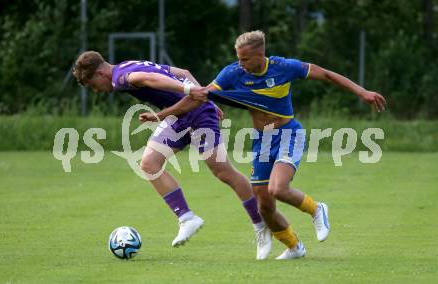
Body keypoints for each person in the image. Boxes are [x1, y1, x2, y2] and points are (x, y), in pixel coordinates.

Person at [143, 30, 386, 260]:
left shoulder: (284, 67)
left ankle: (316, 209)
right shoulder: (232, 73)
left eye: (245, 59)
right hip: (262, 140)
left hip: (288, 133)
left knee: (278, 189)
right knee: (264, 206)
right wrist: (162, 115)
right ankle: (294, 247)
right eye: (238, 58)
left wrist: (362, 91)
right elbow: (199, 97)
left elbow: (326, 74)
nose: (241, 63)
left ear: (260, 55)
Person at [72, 51, 272, 259]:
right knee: (149, 164)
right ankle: (187, 218)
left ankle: (261, 226)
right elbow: (182, 71)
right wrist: (205, 96)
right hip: (178, 116)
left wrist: (191, 91)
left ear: (99, 73)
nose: (98, 90)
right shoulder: (126, 65)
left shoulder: (120, 78)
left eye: (93, 85)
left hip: (197, 114)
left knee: (224, 172)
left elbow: (150, 78)